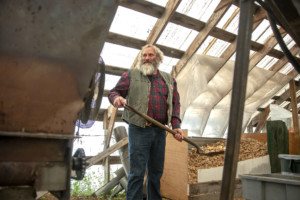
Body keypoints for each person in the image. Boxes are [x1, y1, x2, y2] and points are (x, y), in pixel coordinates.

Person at [108, 44, 184, 200]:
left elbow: (175, 103)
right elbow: (114, 92)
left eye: (150, 55)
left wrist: (176, 126)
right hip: (139, 130)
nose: (147, 58)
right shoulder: (131, 75)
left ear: (158, 58)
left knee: (156, 173)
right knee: (136, 172)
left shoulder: (169, 80)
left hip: (160, 130)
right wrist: (116, 98)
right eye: (144, 55)